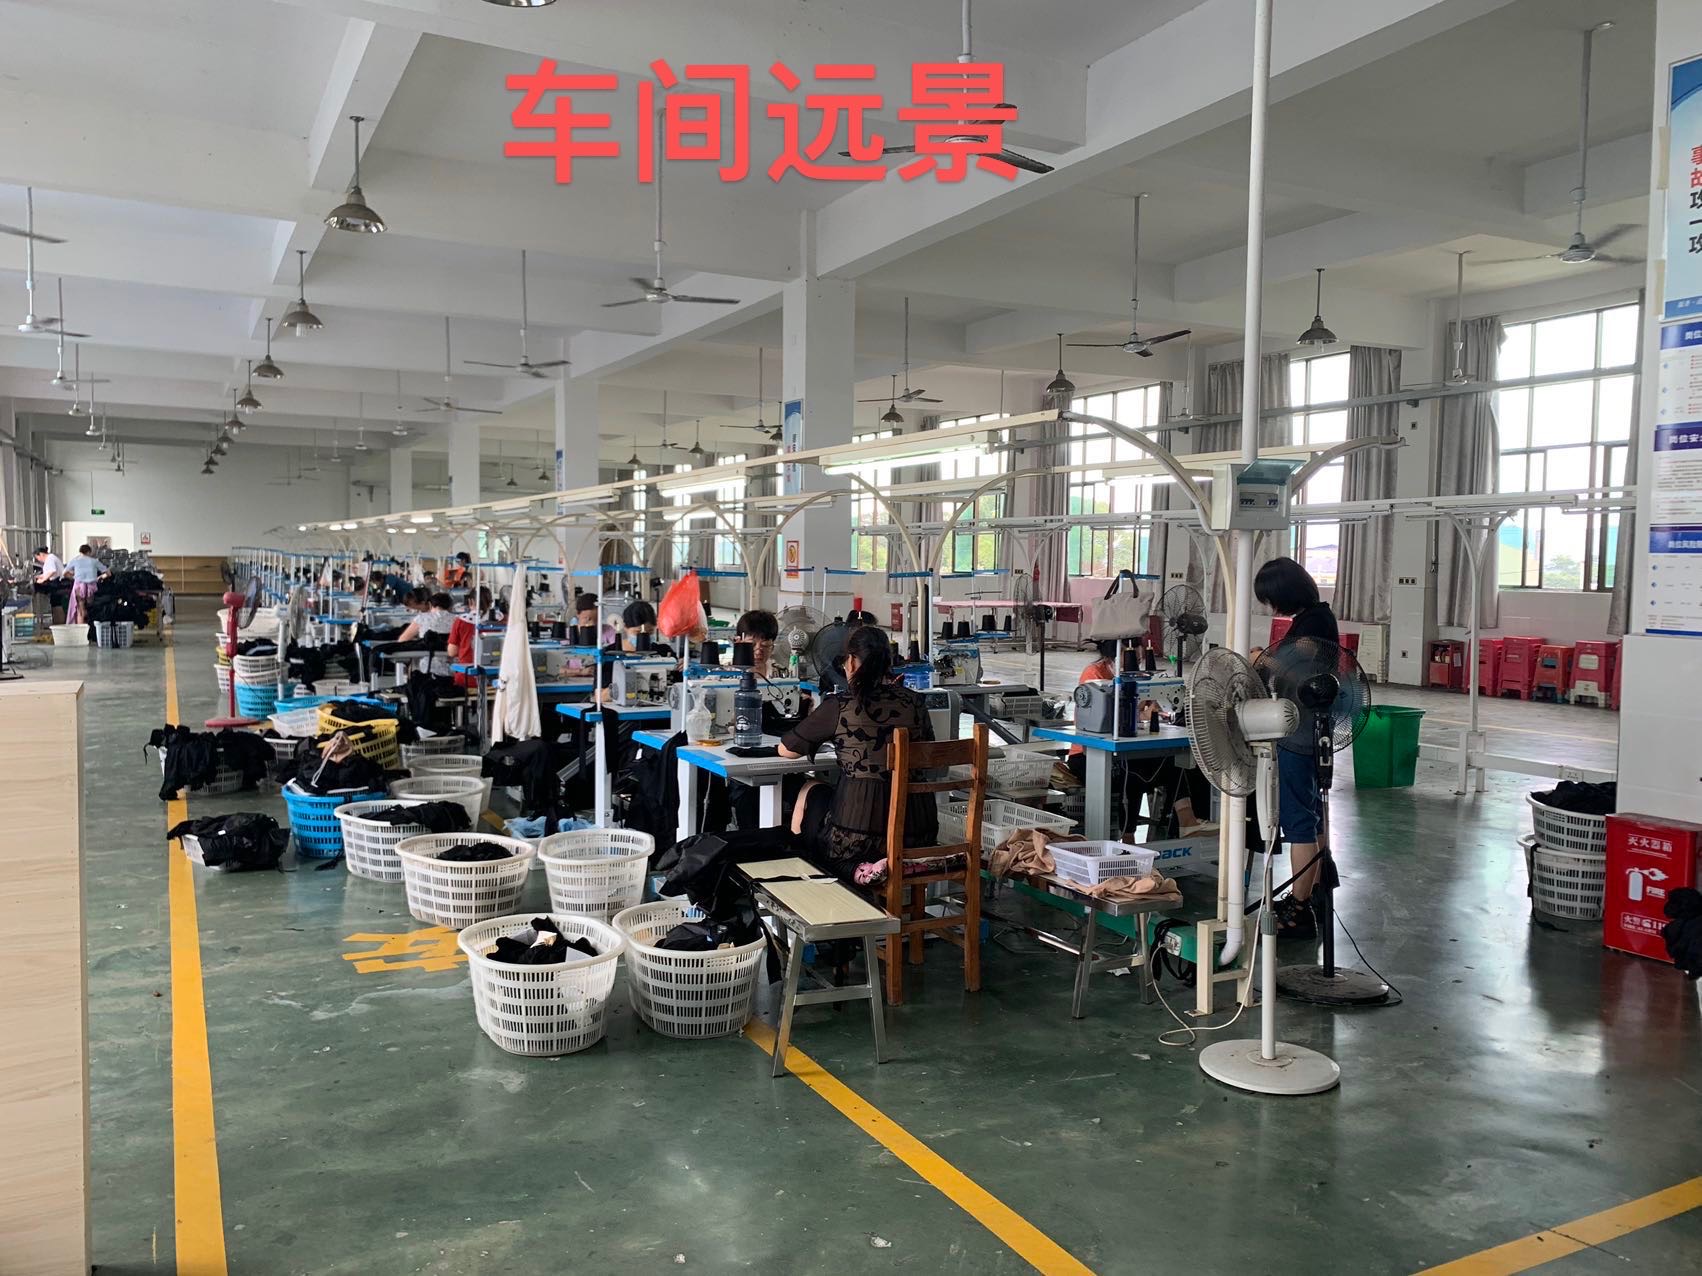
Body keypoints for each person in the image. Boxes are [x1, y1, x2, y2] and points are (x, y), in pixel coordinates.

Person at [778, 625, 937, 885]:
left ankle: (833, 874)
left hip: (859, 838)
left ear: (851, 661)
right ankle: (877, 869)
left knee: (810, 790)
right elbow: (929, 756)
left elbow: (787, 750)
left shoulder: (841, 705)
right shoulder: (915, 703)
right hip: (919, 832)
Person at [1253, 555, 1339, 940]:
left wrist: (1260, 659)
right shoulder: (1315, 617)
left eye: (1272, 599)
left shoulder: (1315, 623)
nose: (1272, 607)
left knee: (1298, 818)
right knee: (1313, 813)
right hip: (1312, 727)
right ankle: (1316, 891)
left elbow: (1291, 666)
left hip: (1300, 729)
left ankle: (1300, 908)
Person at [64, 544, 107, 625]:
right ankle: (91, 627)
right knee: (91, 608)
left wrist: (73, 577)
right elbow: (108, 573)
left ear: (80, 552)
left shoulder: (75, 560)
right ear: (89, 552)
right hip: (91, 587)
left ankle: (81, 628)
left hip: (79, 587)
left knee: (80, 609)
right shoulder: (94, 561)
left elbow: (64, 573)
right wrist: (100, 577)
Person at [733, 608, 779, 673]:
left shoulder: (782, 673)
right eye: (751, 644)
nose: (758, 652)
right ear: (739, 644)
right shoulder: (724, 675)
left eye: (765, 645)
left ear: (772, 648)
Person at [33, 546, 67, 623]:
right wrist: (39, 576)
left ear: (41, 554)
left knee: (57, 604)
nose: (38, 560)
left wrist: (43, 580)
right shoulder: (50, 558)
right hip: (56, 582)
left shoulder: (50, 559)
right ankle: (57, 622)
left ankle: (59, 622)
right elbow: (47, 573)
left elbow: (52, 571)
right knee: (55, 604)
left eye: (37, 558)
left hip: (57, 583)